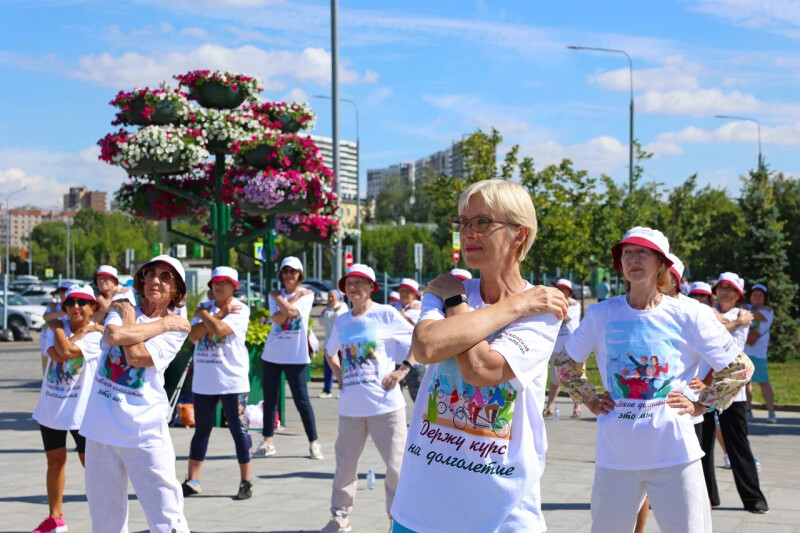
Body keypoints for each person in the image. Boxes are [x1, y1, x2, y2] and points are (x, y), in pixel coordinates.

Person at [391, 179, 569, 533]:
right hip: (423, 506)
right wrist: (515, 304)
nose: (467, 233)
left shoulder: (544, 309)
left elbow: (481, 369)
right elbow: (425, 347)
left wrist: (459, 310)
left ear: (519, 234)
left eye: (482, 222)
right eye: (462, 223)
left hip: (500, 511)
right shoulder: (449, 289)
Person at [554, 227, 754, 533]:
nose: (633, 258)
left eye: (642, 252)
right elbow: (565, 363)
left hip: (675, 455)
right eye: (626, 253)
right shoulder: (601, 314)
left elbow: (739, 368)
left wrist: (702, 405)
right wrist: (590, 399)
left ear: (661, 263)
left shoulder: (690, 313)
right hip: (616, 456)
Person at [79, 254, 191, 533]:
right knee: (105, 521)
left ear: (176, 291)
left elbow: (138, 356)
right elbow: (114, 337)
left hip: (144, 431)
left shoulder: (179, 328)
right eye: (150, 273)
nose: (156, 280)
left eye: (166, 277)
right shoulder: (132, 311)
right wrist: (162, 324)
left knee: (167, 516)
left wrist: (131, 323)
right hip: (101, 428)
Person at [320, 264, 416, 533]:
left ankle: (398, 521)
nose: (353, 288)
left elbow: (417, 341)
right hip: (351, 408)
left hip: (386, 406)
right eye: (349, 283)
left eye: (360, 282)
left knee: (396, 467)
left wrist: (402, 370)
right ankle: (340, 516)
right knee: (345, 466)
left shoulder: (385, 314)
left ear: (373, 287)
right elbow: (330, 352)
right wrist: (339, 373)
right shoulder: (342, 320)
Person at [31, 285, 104, 533]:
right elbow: (56, 353)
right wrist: (66, 331)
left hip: (80, 412)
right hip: (51, 407)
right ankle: (55, 518)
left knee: (90, 465)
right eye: (70, 303)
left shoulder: (96, 337)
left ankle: (106, 514)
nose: (75, 307)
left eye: (82, 302)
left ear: (92, 307)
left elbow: (67, 353)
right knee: (55, 460)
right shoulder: (54, 329)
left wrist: (60, 328)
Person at [182, 266, 253, 500]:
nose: (218, 286)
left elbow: (220, 330)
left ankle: (245, 481)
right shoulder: (206, 309)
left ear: (234, 286)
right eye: (215, 283)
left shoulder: (240, 309)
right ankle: (192, 480)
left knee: (239, 431)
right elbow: (193, 335)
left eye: (224, 283)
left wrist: (208, 317)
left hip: (232, 381)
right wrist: (210, 316)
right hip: (204, 382)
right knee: (201, 431)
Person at [708, 273, 769, 514]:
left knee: (739, 447)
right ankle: (708, 498)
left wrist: (721, 320)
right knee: (702, 447)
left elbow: (728, 344)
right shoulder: (708, 311)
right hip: (702, 387)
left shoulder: (745, 316)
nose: (723, 292)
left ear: (738, 295)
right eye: (721, 287)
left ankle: (754, 499)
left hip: (733, 392)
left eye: (729, 289)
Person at [254, 256, 322, 459]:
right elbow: (278, 318)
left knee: (302, 401)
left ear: (299, 274)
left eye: (293, 271)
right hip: (273, 354)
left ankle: (314, 443)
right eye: (286, 271)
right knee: (270, 399)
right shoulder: (277, 295)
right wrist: (284, 300)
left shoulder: (307, 295)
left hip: (297, 356)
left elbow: (293, 313)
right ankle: (268, 441)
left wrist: (281, 299)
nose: (289, 275)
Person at [543, 279, 583, 418]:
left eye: (564, 289)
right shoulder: (553, 304)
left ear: (569, 292)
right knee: (555, 380)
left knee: (575, 378)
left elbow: (565, 318)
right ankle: (550, 406)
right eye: (559, 288)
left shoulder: (575, 305)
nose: (561, 291)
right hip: (557, 347)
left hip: (572, 347)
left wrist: (555, 306)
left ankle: (577, 408)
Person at [744, 283, 777, 423]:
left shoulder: (768, 311)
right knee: (746, 382)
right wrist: (754, 314)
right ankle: (747, 410)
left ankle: (771, 412)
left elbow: (752, 338)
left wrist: (746, 314)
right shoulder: (745, 308)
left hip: (759, 354)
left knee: (763, 382)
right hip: (744, 353)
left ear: (764, 298)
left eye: (760, 295)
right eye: (754, 295)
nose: (757, 298)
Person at [397, 278, 425, 402]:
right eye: (401, 291)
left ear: (414, 294)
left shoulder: (418, 308)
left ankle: (422, 422)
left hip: (414, 362)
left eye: (407, 291)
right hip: (396, 360)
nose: (403, 294)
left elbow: (400, 317)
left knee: (419, 398)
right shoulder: (397, 307)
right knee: (394, 398)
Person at [319, 289, 348, 399]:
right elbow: (321, 322)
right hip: (328, 343)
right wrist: (327, 314)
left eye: (332, 297)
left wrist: (329, 314)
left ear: (338, 297)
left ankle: (344, 389)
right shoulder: (327, 309)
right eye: (329, 297)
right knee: (328, 368)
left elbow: (340, 319)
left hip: (341, 344)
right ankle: (327, 390)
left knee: (343, 367)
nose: (330, 299)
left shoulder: (343, 306)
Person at [40, 281, 72, 374]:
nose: (62, 293)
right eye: (60, 291)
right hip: (48, 343)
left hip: (67, 343)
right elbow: (46, 317)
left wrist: (55, 314)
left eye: (65, 291)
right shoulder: (53, 305)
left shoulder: (76, 306)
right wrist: (64, 312)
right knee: (48, 372)